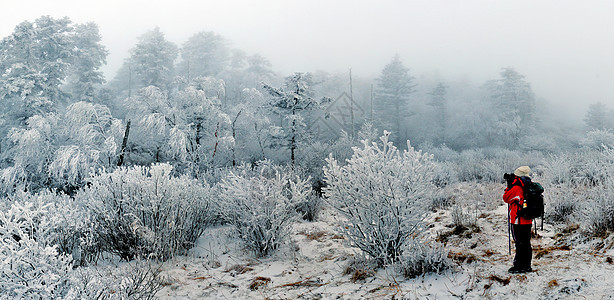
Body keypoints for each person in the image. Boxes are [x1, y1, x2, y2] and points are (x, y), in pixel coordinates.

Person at [503, 166, 533, 274]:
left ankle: (519, 266)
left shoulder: (516, 188)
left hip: (517, 221)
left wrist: (508, 187)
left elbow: (506, 198)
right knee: (526, 243)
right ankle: (527, 266)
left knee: (519, 243)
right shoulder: (529, 185)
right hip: (528, 220)